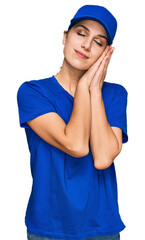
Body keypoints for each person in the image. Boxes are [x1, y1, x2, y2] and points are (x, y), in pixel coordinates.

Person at [17, 4, 128, 240]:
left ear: (106, 53)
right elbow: (76, 145)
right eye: (81, 33)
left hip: (101, 227)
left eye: (98, 42)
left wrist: (94, 90)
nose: (87, 45)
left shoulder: (115, 95)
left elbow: (102, 158)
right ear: (65, 37)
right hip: (48, 226)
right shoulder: (33, 92)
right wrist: (83, 86)